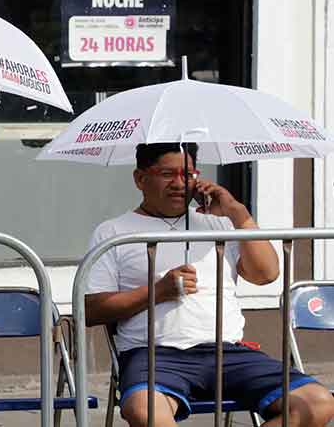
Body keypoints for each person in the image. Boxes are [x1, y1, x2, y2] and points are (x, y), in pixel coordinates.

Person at [85, 143, 334, 427]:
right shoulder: (113, 232)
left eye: (188, 174)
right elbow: (91, 310)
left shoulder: (219, 224)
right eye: (167, 173)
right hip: (155, 354)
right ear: (140, 179)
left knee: (318, 403)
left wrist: (237, 213)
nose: (180, 183)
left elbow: (265, 274)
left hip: (228, 351)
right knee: (146, 412)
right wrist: (158, 291)